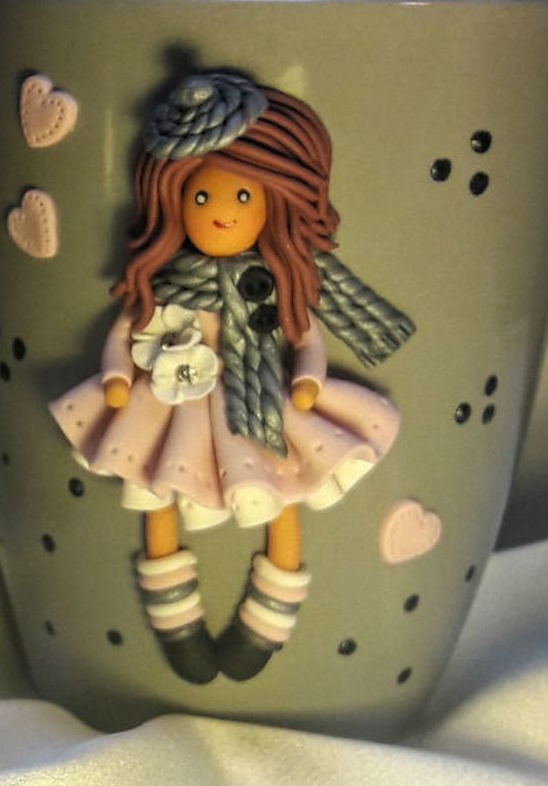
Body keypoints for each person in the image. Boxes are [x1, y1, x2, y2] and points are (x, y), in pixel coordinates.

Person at [51, 72, 414, 684]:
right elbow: (126, 332)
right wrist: (116, 375)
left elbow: (306, 338)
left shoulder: (272, 284)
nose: (221, 212)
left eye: (242, 197)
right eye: (202, 198)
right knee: (159, 485)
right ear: (175, 200)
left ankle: (268, 618)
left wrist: (308, 382)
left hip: (262, 395)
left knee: (283, 487)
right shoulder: (166, 284)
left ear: (271, 204)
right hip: (174, 400)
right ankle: (175, 620)